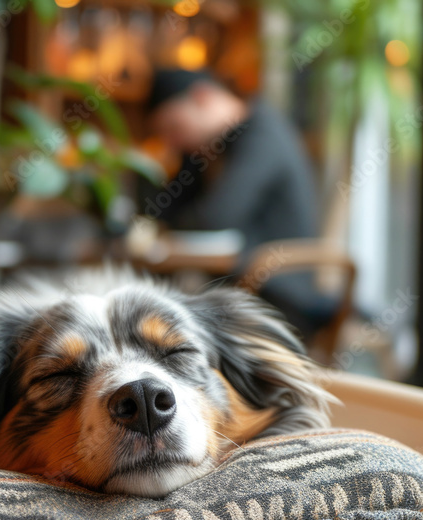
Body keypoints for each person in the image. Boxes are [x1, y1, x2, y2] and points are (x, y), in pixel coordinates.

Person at [143, 69, 335, 340]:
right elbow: (164, 211)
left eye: (174, 127)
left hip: (281, 298)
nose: (173, 141)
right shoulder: (210, 148)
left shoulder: (262, 134)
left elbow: (216, 217)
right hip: (236, 292)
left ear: (201, 97)